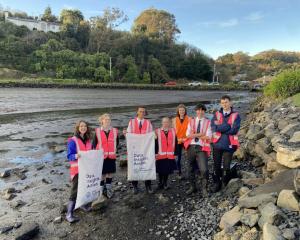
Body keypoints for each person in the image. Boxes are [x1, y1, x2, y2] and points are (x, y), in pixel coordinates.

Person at [210, 95, 241, 193]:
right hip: (217, 144)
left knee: (226, 166)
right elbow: (213, 127)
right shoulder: (217, 114)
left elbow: (234, 130)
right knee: (216, 165)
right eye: (223, 103)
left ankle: (224, 182)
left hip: (229, 144)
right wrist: (227, 126)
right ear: (220, 104)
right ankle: (217, 183)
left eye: (226, 102)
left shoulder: (236, 115)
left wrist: (221, 128)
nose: (225, 104)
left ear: (230, 103)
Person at [123, 106, 154, 194]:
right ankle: (135, 186)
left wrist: (154, 136)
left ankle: (148, 186)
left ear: (145, 113)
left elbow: (151, 135)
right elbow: (128, 135)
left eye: (143, 112)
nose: (142, 113)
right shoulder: (131, 122)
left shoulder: (148, 123)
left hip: (145, 149)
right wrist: (126, 134)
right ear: (137, 112)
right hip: (134, 149)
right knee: (134, 167)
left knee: (146, 165)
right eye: (140, 111)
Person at [66, 120, 92, 223]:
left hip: (86, 169)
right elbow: (69, 155)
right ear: (77, 128)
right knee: (75, 191)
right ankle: (69, 214)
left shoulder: (89, 140)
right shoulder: (73, 140)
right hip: (77, 170)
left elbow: (91, 152)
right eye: (81, 126)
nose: (83, 128)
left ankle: (83, 205)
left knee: (85, 188)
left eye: (85, 126)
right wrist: (76, 155)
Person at [184, 103, 212, 196]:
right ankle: (193, 187)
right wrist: (199, 134)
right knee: (190, 168)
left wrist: (195, 134)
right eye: (198, 110)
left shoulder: (208, 122)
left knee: (204, 169)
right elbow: (187, 135)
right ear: (196, 111)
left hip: (202, 147)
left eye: (202, 110)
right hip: (191, 146)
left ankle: (204, 189)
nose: (200, 112)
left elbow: (208, 137)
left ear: (204, 111)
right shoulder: (191, 121)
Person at [93, 113, 119, 199]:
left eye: (109, 119)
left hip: (111, 156)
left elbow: (117, 142)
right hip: (101, 157)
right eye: (106, 119)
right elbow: (94, 145)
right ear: (102, 121)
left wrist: (114, 150)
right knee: (102, 174)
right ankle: (100, 190)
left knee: (110, 173)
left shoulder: (115, 131)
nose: (107, 121)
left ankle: (108, 189)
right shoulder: (97, 131)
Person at [155, 117, 177, 190]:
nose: (166, 123)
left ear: (170, 123)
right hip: (160, 155)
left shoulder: (173, 131)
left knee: (167, 170)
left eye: (167, 122)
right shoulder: (157, 131)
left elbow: (176, 142)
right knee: (160, 170)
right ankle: (160, 182)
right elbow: (154, 143)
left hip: (169, 155)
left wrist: (175, 153)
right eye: (164, 122)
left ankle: (165, 183)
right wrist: (155, 153)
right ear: (162, 123)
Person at [172, 104, 189, 179]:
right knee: (178, 158)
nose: (181, 111)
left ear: (185, 111)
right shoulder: (174, 120)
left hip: (186, 140)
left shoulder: (189, 119)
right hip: (178, 141)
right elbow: (173, 131)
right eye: (180, 110)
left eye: (183, 110)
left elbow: (191, 130)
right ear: (178, 111)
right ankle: (179, 172)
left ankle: (195, 170)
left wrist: (186, 138)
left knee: (191, 156)